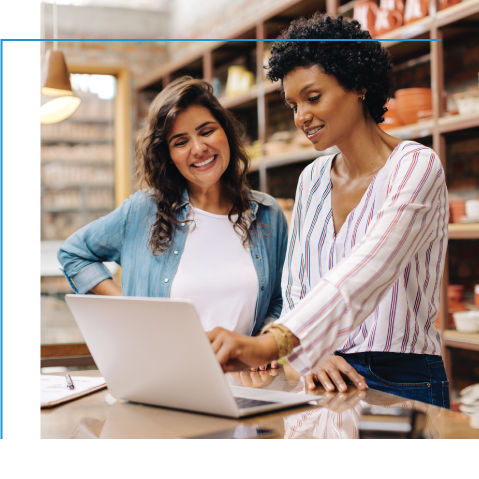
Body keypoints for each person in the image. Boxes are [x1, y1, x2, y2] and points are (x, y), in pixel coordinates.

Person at [207, 14, 450, 408]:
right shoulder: (313, 178)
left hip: (402, 378)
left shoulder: (415, 167)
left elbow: (370, 269)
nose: (301, 116)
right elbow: (297, 286)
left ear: (358, 85)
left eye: (313, 97)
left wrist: (274, 343)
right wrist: (312, 353)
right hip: (322, 371)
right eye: (292, 104)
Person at [58, 77, 288, 366]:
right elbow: (73, 254)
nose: (199, 148)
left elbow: (281, 299)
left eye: (207, 131)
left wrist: (262, 346)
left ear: (226, 133)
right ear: (168, 156)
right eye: (181, 142)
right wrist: (127, 306)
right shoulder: (144, 211)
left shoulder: (267, 214)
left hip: (245, 388)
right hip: (161, 376)